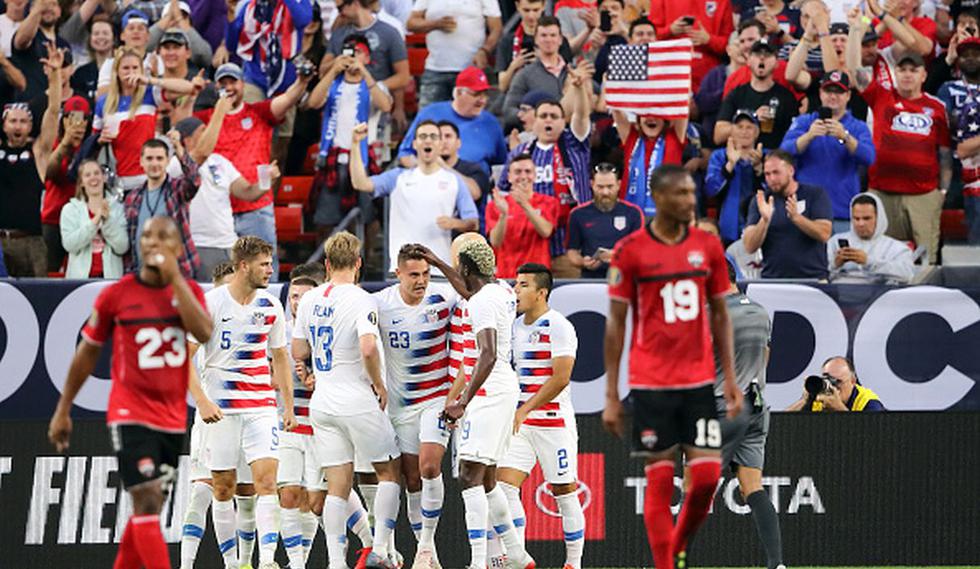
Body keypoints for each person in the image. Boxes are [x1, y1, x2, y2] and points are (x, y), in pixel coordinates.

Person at [48, 216, 211, 569]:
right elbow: (87, 351)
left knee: (146, 513)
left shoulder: (190, 293)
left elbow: (205, 331)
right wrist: (63, 409)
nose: (153, 242)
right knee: (148, 500)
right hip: (130, 412)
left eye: (163, 236)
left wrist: (174, 281)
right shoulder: (117, 294)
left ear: (179, 248)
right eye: (147, 236)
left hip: (171, 419)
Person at [603, 164, 743, 569]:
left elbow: (720, 313)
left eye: (691, 193)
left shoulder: (708, 246)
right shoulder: (631, 250)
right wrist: (612, 394)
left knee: (705, 480)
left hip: (699, 381)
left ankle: (678, 546)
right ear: (659, 198)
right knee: (661, 481)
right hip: (651, 384)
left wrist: (729, 378)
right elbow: (615, 323)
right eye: (681, 194)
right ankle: (667, 564)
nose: (690, 200)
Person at [291, 231, 403, 569]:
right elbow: (368, 347)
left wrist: (312, 367)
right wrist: (379, 383)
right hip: (356, 397)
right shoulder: (360, 299)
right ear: (357, 264)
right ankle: (381, 550)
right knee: (388, 471)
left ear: (326, 264)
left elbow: (298, 350)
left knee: (337, 486)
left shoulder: (310, 299)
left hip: (322, 402)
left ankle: (336, 561)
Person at [190, 236, 293, 569]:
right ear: (244, 266)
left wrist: (287, 406)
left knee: (266, 482)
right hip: (220, 410)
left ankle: (266, 562)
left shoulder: (270, 306)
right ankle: (233, 564)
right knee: (223, 487)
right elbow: (183, 358)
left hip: (261, 407)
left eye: (270, 263)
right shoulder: (210, 303)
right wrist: (202, 401)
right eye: (264, 264)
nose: (270, 270)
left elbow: (280, 357)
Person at [439, 239, 536, 569]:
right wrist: (438, 263)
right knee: (488, 477)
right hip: (502, 387)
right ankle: (517, 554)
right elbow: (468, 291)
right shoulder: (503, 291)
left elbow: (488, 353)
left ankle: (478, 562)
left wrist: (462, 402)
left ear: (466, 268)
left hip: (489, 392)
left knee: (468, 475)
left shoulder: (482, 301)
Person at [371, 244, 459, 569]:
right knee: (412, 480)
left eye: (426, 273)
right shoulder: (380, 304)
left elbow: (474, 291)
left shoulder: (444, 297)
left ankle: (423, 547)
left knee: (430, 467)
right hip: (401, 405)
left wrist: (439, 262)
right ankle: (429, 556)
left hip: (437, 399)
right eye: (414, 275)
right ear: (397, 274)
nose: (421, 281)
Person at [498, 263, 586, 569]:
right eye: (516, 283)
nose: (516, 290)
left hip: (554, 423)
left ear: (541, 293)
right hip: (521, 424)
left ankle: (573, 564)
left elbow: (561, 378)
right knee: (503, 487)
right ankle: (518, 558)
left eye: (523, 285)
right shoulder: (512, 325)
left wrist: (524, 408)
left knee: (564, 491)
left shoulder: (559, 325)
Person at [193, 62, 313, 279]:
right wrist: (192, 92)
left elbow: (286, 99)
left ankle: (270, 312)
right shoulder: (204, 119)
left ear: (243, 84)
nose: (228, 87)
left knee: (264, 271)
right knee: (224, 276)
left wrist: (301, 82)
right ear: (216, 87)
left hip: (256, 207)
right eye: (223, 82)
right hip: (218, 210)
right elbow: (182, 128)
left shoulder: (258, 112)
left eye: (233, 82)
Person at [712, 258, 786, 569]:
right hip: (756, 406)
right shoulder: (759, 310)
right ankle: (776, 564)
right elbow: (765, 354)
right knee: (752, 487)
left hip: (723, 406)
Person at [852, 50, 951, 264]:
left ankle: (925, 297)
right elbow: (855, 73)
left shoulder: (937, 108)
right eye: (902, 69)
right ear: (895, 73)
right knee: (881, 257)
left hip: (923, 193)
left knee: (926, 260)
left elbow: (944, 153)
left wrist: (942, 191)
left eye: (913, 70)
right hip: (882, 190)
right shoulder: (882, 96)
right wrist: (856, 29)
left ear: (923, 75)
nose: (907, 75)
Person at [350, 121, 479, 273]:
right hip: (402, 270)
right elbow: (361, 183)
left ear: (440, 143)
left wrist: (455, 223)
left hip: (440, 270)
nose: (428, 140)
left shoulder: (454, 181)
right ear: (415, 143)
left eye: (433, 136)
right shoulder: (398, 177)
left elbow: (473, 223)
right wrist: (355, 144)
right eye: (422, 136)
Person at [498, 71, 593, 278]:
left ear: (563, 121)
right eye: (543, 116)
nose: (548, 120)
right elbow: (502, 193)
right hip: (529, 247)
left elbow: (582, 116)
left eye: (554, 116)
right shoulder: (519, 153)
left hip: (567, 247)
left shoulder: (573, 145)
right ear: (534, 121)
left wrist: (577, 89)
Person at [306, 32, 392, 237]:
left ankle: (366, 265)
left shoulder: (374, 86)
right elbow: (313, 102)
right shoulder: (333, 85)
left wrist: (365, 73)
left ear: (368, 58)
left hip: (362, 158)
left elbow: (386, 106)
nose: (353, 56)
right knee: (325, 219)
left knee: (368, 216)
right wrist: (332, 71)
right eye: (349, 51)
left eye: (359, 52)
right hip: (334, 157)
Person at [178, 261, 235, 569]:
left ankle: (241, 563)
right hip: (212, 419)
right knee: (203, 491)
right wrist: (201, 402)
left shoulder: (253, 315)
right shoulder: (201, 323)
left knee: (252, 495)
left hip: (249, 417)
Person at [175, 107, 274, 280]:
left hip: (229, 243)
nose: (209, 135)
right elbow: (200, 155)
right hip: (200, 245)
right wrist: (221, 107)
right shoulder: (177, 164)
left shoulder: (220, 161)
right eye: (203, 131)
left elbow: (247, 192)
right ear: (188, 139)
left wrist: (267, 181)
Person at [780, 70, 875, 234]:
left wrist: (845, 137)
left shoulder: (857, 127)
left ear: (848, 96)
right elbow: (784, 153)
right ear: (820, 93)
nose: (833, 96)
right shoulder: (805, 121)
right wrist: (808, 136)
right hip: (807, 210)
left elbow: (869, 158)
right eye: (828, 91)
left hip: (841, 211)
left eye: (839, 92)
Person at [0, 43, 62, 277]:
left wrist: (55, 75)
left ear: (30, 125)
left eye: (23, 121)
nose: (18, 126)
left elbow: (54, 111)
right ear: (4, 124)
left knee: (38, 303)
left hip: (31, 243)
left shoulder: (39, 152)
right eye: (12, 121)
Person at [94, 48, 194, 191]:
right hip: (118, 182)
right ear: (117, 72)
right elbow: (94, 141)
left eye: (135, 68)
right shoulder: (104, 102)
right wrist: (100, 140)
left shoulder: (150, 94)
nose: (131, 72)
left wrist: (150, 80)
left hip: (148, 178)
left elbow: (189, 87)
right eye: (126, 68)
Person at [398, 66, 508, 174]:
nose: (482, 100)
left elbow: (501, 163)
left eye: (485, 95)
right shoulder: (429, 114)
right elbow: (405, 154)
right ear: (458, 93)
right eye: (476, 94)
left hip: (475, 185)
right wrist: (426, 171)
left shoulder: (491, 124)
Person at [743, 150, 833, 279]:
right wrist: (764, 220)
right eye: (767, 174)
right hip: (773, 280)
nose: (772, 179)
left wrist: (797, 218)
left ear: (791, 170)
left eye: (776, 172)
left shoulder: (815, 194)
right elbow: (749, 246)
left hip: (813, 279)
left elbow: (824, 233)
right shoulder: (762, 200)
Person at [124, 137, 201, 277]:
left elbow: (194, 179)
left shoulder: (177, 189)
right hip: (143, 274)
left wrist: (179, 149)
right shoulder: (132, 197)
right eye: (149, 158)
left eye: (159, 158)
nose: (154, 163)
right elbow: (131, 240)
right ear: (141, 161)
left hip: (177, 273)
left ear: (168, 161)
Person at [406, 0, 501, 106]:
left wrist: (485, 50)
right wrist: (435, 24)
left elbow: (496, 28)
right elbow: (411, 23)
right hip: (435, 69)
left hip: (471, 70)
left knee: (469, 118)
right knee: (428, 119)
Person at [715, 39, 799, 149]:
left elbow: (794, 137)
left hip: (774, 159)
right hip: (741, 158)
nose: (762, 58)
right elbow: (718, 135)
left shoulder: (786, 97)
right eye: (757, 54)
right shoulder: (737, 94)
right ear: (748, 60)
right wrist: (752, 118)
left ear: (776, 63)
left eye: (768, 54)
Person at [486, 154, 559, 278]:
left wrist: (524, 204)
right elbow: (495, 242)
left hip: (537, 276)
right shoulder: (496, 205)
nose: (523, 176)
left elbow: (546, 231)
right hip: (506, 274)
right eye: (518, 172)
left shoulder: (549, 202)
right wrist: (503, 214)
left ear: (535, 176)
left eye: (528, 171)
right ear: (509, 177)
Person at [567, 163, 644, 278]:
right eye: (600, 187)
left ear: (619, 185)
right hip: (590, 279)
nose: (605, 192)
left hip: (625, 279)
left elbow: (640, 251)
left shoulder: (633, 213)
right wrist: (583, 262)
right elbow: (572, 252)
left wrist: (618, 256)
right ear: (592, 184)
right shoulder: (578, 214)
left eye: (610, 186)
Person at [42, 96, 91, 274]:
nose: (78, 122)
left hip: (82, 220)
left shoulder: (91, 146)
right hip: (53, 218)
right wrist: (65, 143)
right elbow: (49, 172)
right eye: (72, 116)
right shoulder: (54, 144)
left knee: (79, 271)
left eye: (83, 117)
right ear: (64, 119)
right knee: (50, 272)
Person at [613, 109, 689, 218]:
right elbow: (616, 109)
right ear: (639, 120)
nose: (651, 118)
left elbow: (683, 107)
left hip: (666, 213)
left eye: (657, 115)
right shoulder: (631, 137)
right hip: (631, 214)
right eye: (645, 114)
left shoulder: (674, 137)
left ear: (665, 120)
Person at [60, 159, 129, 278]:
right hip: (79, 282)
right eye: (87, 175)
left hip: (109, 280)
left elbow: (122, 247)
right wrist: (95, 221)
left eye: (97, 173)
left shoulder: (118, 208)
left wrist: (107, 221)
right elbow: (69, 245)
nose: (93, 178)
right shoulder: (70, 209)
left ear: (104, 178)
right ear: (81, 182)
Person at [704, 109, 765, 245]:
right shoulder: (719, 156)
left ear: (757, 132)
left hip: (758, 229)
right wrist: (730, 165)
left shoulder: (767, 156)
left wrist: (759, 169)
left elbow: (775, 190)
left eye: (749, 127)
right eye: (740, 127)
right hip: (728, 228)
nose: (744, 131)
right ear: (732, 131)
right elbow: (710, 190)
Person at [501, 16, 573, 128]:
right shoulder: (525, 74)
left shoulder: (574, 72)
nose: (548, 39)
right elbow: (508, 110)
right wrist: (531, 116)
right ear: (536, 39)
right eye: (543, 35)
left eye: (553, 35)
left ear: (560, 40)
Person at [827, 193, 916, 283]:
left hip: (878, 294)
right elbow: (818, 274)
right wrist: (835, 264)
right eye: (856, 218)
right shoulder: (834, 242)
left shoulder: (896, 248)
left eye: (866, 218)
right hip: (838, 292)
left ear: (879, 218)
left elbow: (907, 275)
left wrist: (868, 261)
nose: (860, 224)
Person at [648, 0, 734, 91]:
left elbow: (731, 44)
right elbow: (647, 37)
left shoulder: (723, 2)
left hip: (707, 79)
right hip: (670, 73)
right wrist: (670, 30)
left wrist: (709, 40)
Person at [9, 0, 70, 102]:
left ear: (59, 11)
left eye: (53, 4)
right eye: (43, 4)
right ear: (31, 10)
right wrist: (39, 8)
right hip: (28, 108)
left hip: (55, 106)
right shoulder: (30, 36)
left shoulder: (64, 43)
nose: (48, 8)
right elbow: (22, 40)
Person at [786, 356, 885, 411]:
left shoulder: (867, 402)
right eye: (826, 379)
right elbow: (783, 424)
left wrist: (838, 408)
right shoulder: (819, 395)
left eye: (838, 382)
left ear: (853, 381)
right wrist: (804, 400)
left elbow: (871, 437)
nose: (832, 386)